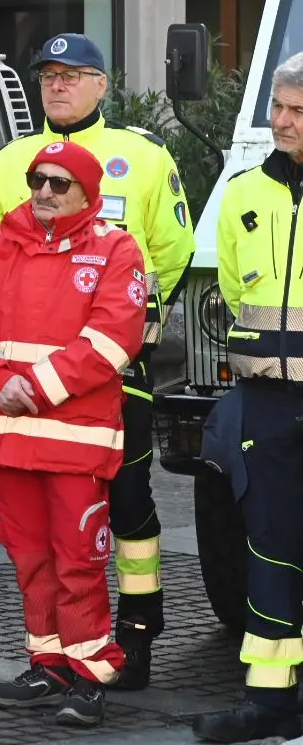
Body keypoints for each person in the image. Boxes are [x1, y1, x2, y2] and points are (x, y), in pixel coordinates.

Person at [0, 32, 193, 689]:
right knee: (48, 526)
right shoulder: (7, 163)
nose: (59, 84)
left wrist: (129, 331)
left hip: (118, 372)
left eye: (74, 74)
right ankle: (55, 657)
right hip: (31, 389)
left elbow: (173, 252)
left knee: (128, 501)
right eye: (49, 75)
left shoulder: (145, 158)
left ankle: (137, 631)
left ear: (102, 85)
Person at [0, 140, 146, 729]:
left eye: (60, 183)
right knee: (29, 560)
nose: (45, 192)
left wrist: (28, 385)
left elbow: (114, 341)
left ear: (88, 192)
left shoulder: (116, 248)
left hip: (72, 439)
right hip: (8, 436)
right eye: (39, 180)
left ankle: (90, 678)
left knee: (77, 562)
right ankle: (49, 665)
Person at [191, 52, 303, 744]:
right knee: (269, 546)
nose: (282, 122)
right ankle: (270, 701)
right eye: (279, 109)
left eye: (297, 113)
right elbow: (235, 290)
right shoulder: (241, 193)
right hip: (266, 401)